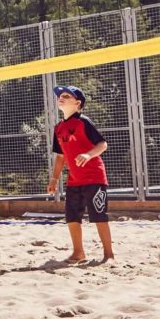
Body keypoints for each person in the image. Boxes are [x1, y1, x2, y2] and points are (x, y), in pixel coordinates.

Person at [47, 85, 114, 264]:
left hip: (94, 177)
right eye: (60, 95)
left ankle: (109, 255)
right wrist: (54, 178)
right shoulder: (58, 128)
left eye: (66, 96)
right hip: (74, 180)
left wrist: (88, 154)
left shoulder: (83, 122)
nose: (61, 97)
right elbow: (60, 156)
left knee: (98, 216)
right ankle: (79, 253)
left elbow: (102, 144)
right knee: (72, 217)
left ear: (78, 103)